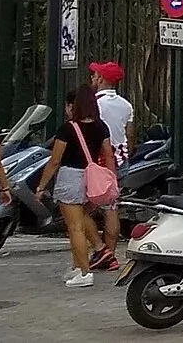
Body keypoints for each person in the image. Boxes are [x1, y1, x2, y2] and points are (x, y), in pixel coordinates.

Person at [33, 88, 115, 288]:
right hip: (90, 177)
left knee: (75, 228)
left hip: (70, 176)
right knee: (81, 222)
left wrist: (41, 186)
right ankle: (78, 267)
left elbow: (54, 161)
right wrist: (111, 179)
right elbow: (109, 155)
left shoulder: (67, 129)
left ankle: (85, 272)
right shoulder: (101, 127)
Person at [89, 61, 133, 267]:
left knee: (76, 208)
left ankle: (99, 248)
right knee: (111, 207)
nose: (92, 78)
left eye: (95, 75)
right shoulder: (126, 105)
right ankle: (111, 255)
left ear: (101, 79)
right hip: (120, 161)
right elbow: (130, 136)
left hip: (96, 162)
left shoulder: (93, 104)